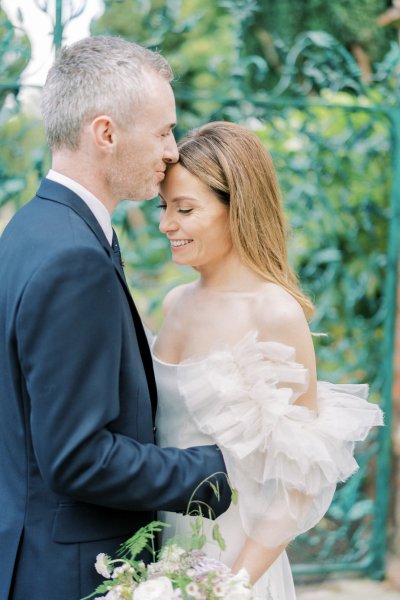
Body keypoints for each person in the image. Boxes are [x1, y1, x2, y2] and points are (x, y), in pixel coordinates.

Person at [0, 38, 232, 600]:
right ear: (105, 133)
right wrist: (218, 471)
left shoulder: (29, 230)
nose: (173, 151)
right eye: (162, 131)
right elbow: (78, 459)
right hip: (68, 575)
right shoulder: (73, 258)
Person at [152, 121, 384, 599]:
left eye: (185, 209)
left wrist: (228, 585)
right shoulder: (174, 302)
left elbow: (299, 481)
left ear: (236, 208)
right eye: (163, 206)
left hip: (233, 568)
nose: (165, 224)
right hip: (157, 552)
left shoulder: (274, 312)